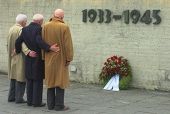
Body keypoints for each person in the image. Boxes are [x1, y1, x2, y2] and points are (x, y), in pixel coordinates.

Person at [15, 14, 60, 107]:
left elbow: (18, 41)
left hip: (29, 58)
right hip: (37, 58)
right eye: (42, 22)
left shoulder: (25, 29)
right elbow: (38, 41)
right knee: (37, 80)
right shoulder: (39, 29)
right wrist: (49, 47)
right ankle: (37, 102)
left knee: (30, 80)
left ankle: (29, 101)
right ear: (40, 21)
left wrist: (19, 51)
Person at [42, 9, 73, 111]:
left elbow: (42, 43)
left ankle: (50, 105)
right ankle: (59, 105)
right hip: (61, 58)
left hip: (48, 58)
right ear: (62, 17)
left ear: (53, 15)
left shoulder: (45, 26)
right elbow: (68, 45)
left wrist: (43, 56)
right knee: (60, 81)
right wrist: (69, 58)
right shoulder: (64, 27)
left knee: (50, 81)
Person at [7, 14, 36, 103]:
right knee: (20, 77)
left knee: (13, 77)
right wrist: (28, 52)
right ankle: (19, 98)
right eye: (26, 22)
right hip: (20, 56)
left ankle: (11, 97)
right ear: (23, 22)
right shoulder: (21, 30)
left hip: (12, 56)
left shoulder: (11, 29)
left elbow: (7, 43)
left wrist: (10, 52)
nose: (26, 23)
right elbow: (22, 43)